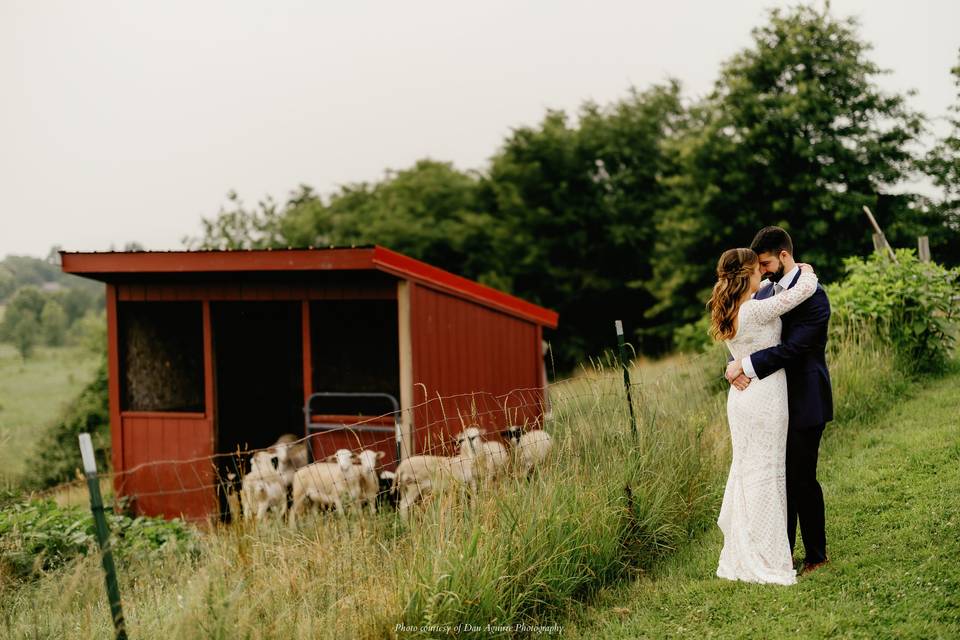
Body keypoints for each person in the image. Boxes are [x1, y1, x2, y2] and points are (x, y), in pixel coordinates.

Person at [725, 227, 833, 576]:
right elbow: (745, 336)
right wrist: (731, 366)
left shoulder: (815, 297)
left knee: (802, 477)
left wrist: (746, 366)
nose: (765, 270)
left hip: (805, 398)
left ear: (784, 256)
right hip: (770, 401)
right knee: (778, 479)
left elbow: (794, 348)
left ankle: (816, 554)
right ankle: (780, 553)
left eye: (767, 263)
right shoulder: (765, 293)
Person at [708, 246, 818, 585]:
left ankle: (748, 547)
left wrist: (732, 367)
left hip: (742, 397)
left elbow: (742, 353)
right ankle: (766, 554)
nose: (763, 275)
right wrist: (807, 270)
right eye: (758, 270)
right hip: (765, 396)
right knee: (767, 473)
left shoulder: (728, 310)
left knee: (748, 471)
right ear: (748, 275)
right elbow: (801, 291)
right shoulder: (754, 311)